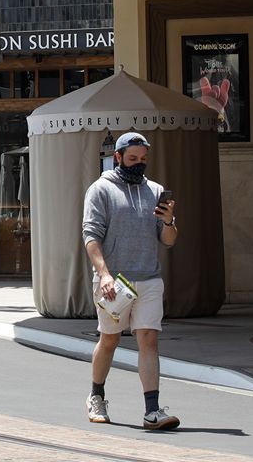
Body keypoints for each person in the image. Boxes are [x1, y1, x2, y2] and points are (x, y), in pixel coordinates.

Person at [82, 132, 180, 430]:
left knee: (148, 339)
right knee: (109, 339)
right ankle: (96, 395)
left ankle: (152, 410)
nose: (139, 164)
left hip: (149, 278)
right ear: (119, 157)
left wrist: (167, 220)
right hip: (115, 282)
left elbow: (169, 240)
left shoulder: (155, 190)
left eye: (143, 159)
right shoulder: (100, 190)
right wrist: (105, 274)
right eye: (133, 158)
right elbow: (91, 237)